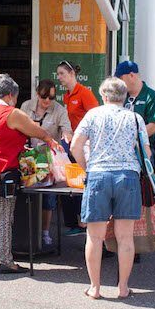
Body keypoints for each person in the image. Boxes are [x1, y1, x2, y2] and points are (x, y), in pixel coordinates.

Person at [70, 77, 150, 299]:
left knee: (94, 237)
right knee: (125, 237)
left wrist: (87, 167)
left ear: (103, 96)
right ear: (124, 97)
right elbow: (147, 153)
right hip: (128, 177)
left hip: (98, 175)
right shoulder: (135, 118)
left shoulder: (93, 115)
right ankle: (123, 287)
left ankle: (95, 287)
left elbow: (75, 145)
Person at [0, 74, 61, 274]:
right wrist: (49, 139)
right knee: (5, 215)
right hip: (4, 172)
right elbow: (35, 130)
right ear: (10, 95)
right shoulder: (11, 113)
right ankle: (6, 260)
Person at [115, 60, 155, 263]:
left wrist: (134, 137)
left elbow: (154, 125)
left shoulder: (153, 97)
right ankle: (119, 241)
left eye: (121, 79)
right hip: (121, 154)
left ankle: (135, 244)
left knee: (137, 197)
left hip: (141, 154)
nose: (120, 84)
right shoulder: (123, 97)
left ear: (132, 76)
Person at [20, 79, 72, 247]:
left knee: (48, 197)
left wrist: (66, 136)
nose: (48, 101)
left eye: (51, 97)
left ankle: (45, 232)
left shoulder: (59, 110)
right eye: (44, 97)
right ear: (37, 94)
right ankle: (26, 232)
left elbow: (67, 128)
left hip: (49, 158)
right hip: (28, 156)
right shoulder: (26, 106)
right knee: (27, 194)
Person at [56, 60, 99, 236]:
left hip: (84, 147)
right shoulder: (67, 95)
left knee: (81, 184)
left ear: (72, 74)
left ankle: (84, 222)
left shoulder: (85, 93)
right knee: (69, 184)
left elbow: (96, 118)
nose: (59, 78)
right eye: (58, 74)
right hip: (70, 145)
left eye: (62, 74)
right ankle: (74, 222)